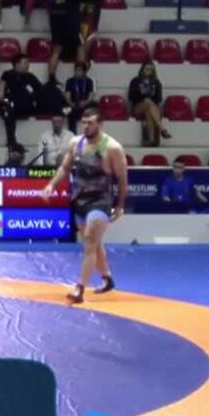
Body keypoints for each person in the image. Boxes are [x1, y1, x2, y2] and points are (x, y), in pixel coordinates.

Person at [41, 106, 128, 304]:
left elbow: (122, 179)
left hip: (100, 201)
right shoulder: (75, 143)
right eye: (84, 123)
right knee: (94, 243)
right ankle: (107, 278)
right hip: (79, 199)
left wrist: (120, 205)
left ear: (100, 124)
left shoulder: (113, 148)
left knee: (89, 241)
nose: (86, 126)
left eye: (90, 123)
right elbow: (65, 168)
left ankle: (80, 289)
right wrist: (51, 185)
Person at [46, 0, 96, 83]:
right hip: (72, 23)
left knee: (56, 50)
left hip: (56, 23)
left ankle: (51, 78)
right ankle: (80, 76)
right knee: (80, 47)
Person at [0, 53, 43, 153]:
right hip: (12, 105)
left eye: (28, 63)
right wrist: (3, 98)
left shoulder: (30, 76)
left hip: (27, 106)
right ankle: (12, 142)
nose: (28, 65)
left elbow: (41, 91)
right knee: (8, 108)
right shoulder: (7, 74)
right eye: (25, 63)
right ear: (17, 64)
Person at [128, 61, 170, 147]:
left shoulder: (156, 82)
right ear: (142, 69)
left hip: (151, 107)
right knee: (148, 104)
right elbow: (131, 96)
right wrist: (143, 99)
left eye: (151, 70)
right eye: (147, 69)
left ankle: (151, 140)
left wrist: (150, 100)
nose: (148, 71)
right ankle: (162, 128)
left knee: (149, 111)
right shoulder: (135, 81)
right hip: (138, 106)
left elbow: (159, 98)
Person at [64, 61, 96, 133]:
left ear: (84, 72)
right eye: (76, 70)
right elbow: (67, 96)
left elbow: (91, 96)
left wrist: (85, 103)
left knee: (93, 106)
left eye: (79, 70)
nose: (77, 72)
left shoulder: (89, 81)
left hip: (85, 104)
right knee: (68, 110)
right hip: (73, 104)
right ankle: (72, 133)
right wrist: (71, 103)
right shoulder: (70, 81)